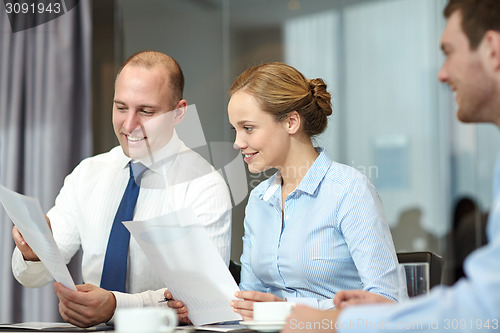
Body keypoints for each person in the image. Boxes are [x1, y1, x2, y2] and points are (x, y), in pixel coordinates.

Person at [282, 0, 500, 331]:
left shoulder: (349, 187)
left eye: (449, 52)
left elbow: (485, 308)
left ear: (492, 50)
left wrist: (337, 322)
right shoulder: (261, 200)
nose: (442, 74)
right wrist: (379, 315)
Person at [167, 61, 405, 324]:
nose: (237, 142)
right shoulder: (259, 200)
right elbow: (249, 300)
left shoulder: (349, 191)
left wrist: (288, 310)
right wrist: (202, 309)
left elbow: (387, 302)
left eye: (248, 128)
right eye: (235, 130)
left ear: (291, 122)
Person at [11, 51, 232, 328]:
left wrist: (116, 307)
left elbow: (202, 300)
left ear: (179, 113)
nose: (129, 125)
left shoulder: (204, 186)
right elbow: (32, 277)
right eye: (121, 107)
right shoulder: (88, 174)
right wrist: (33, 251)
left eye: (146, 111)